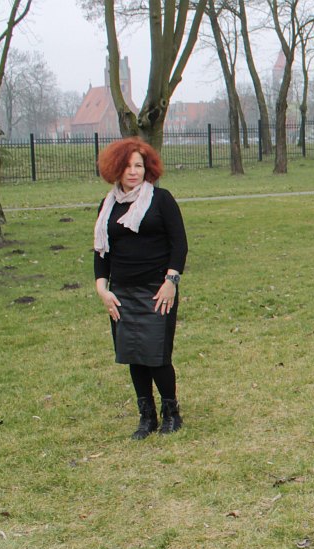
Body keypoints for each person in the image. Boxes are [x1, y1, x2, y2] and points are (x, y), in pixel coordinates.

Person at [93, 137, 188, 440]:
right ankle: (146, 417)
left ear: (147, 169)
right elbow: (101, 252)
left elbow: (179, 244)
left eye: (139, 165)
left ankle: (171, 413)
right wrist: (102, 289)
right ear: (116, 169)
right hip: (121, 293)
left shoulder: (161, 200)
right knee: (133, 356)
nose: (133, 171)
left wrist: (171, 282)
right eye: (127, 166)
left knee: (157, 356)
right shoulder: (107, 206)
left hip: (157, 290)